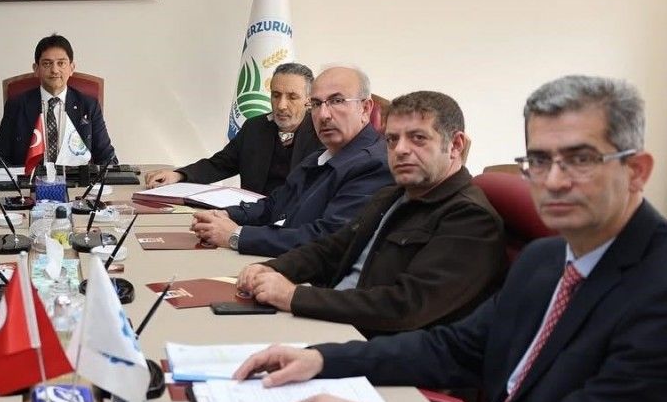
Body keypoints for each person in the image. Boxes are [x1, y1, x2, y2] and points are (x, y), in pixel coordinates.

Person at [234, 75, 667, 402]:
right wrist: (320, 359)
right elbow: (453, 349)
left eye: (580, 160)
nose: (553, 180)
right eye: (539, 159)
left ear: (637, 171)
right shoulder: (546, 259)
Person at [235, 91, 507, 335]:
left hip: (374, 348)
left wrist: (293, 296)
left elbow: (404, 307)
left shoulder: (470, 218)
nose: (400, 150)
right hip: (331, 322)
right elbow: (331, 250)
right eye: (392, 139)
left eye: (418, 138)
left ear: (456, 145)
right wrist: (271, 269)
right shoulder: (392, 195)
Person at [192, 66, 392, 255]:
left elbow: (328, 238)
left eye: (337, 101)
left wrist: (237, 235)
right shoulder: (320, 156)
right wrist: (225, 215)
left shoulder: (375, 165)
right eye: (316, 104)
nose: (323, 115)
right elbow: (275, 204)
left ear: (365, 109)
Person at [145, 62, 319, 196]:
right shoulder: (255, 128)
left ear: (309, 100)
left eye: (292, 97)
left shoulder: (322, 134)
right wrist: (179, 175)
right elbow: (220, 164)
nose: (281, 105)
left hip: (297, 222)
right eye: (276, 95)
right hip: (252, 216)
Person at [0, 33, 117, 168]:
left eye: (61, 63)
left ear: (71, 68)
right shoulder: (17, 105)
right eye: (47, 64)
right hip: (31, 179)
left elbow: (108, 160)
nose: (55, 70)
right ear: (36, 69)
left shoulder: (88, 105)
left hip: (76, 180)